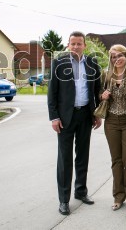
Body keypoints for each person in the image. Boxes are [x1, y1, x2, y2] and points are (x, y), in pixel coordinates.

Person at [47, 31, 102, 216]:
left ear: (84, 45)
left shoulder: (92, 63)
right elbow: (52, 93)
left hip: (85, 115)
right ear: (68, 45)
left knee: (82, 156)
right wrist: (54, 117)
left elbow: (96, 90)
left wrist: (97, 114)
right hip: (64, 118)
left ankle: (81, 191)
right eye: (73, 43)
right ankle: (64, 200)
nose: (76, 46)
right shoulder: (59, 63)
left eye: (80, 43)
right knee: (65, 159)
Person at [100, 44, 126, 212]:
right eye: (113, 56)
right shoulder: (106, 75)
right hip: (111, 122)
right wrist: (102, 95)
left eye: (120, 55)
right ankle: (118, 196)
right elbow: (98, 94)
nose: (116, 59)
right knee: (116, 160)